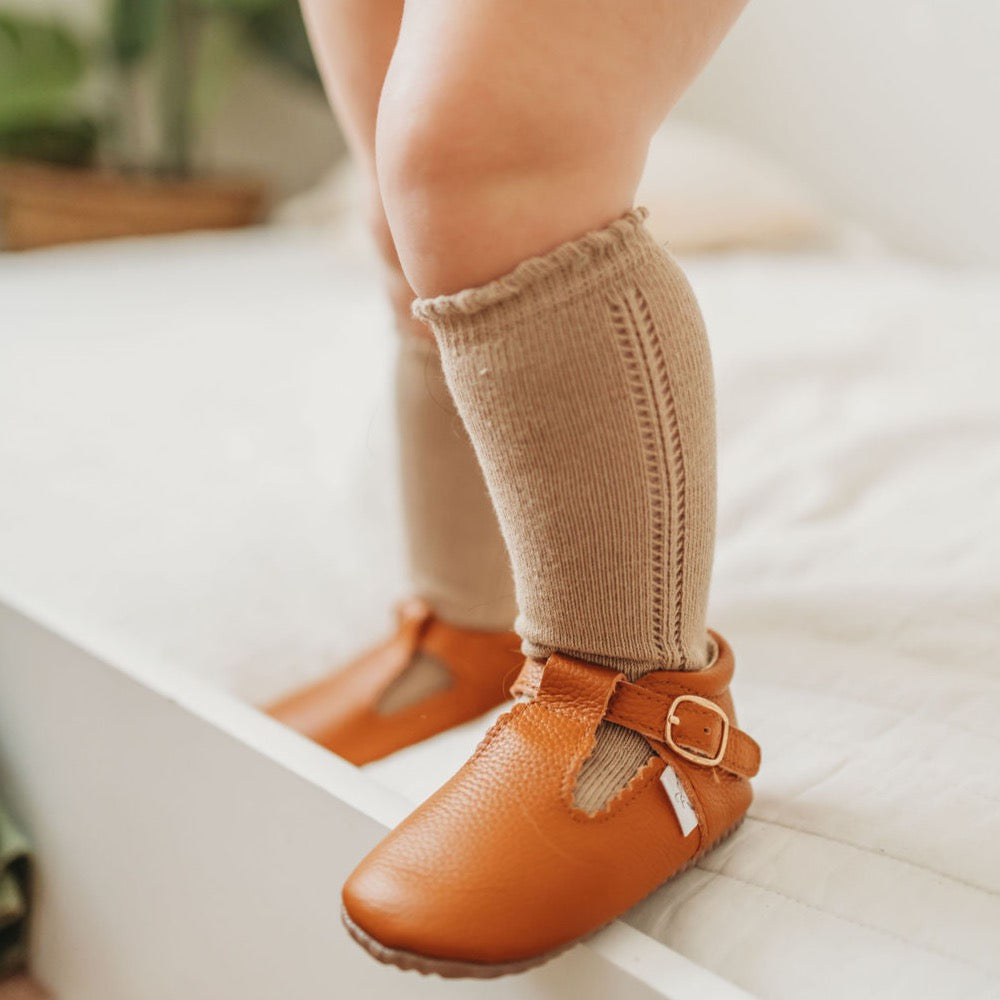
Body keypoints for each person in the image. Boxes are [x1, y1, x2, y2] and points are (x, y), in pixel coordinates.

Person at [267, 0, 761, 978]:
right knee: (401, 198)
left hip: (642, 724)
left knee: (482, 157)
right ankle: (472, 624)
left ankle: (641, 712)